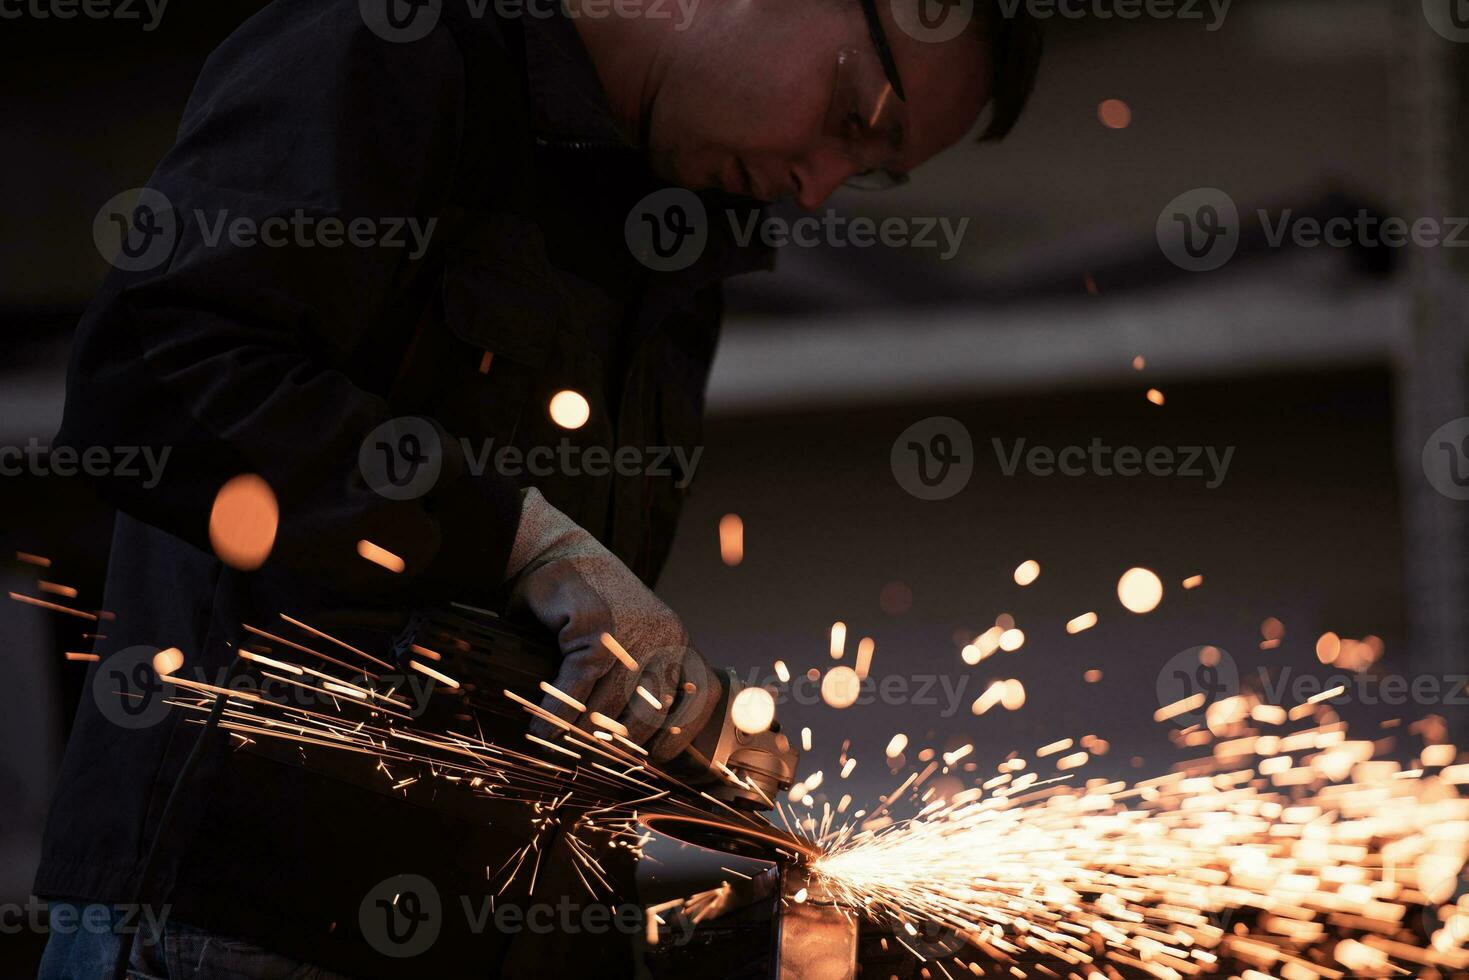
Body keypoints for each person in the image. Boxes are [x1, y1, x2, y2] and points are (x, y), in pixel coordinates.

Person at [35, 0, 1040, 976]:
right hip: (241, 920)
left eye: (865, 171)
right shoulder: (397, 52)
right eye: (850, 117)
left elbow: (525, 620)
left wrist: (672, 723)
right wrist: (524, 540)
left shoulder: (677, 232)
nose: (815, 187)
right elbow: (151, 379)